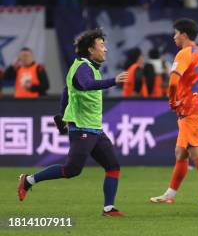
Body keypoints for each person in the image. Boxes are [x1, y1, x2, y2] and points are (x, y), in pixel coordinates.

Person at [17, 29, 129, 216]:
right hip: (82, 128)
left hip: (95, 128)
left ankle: (109, 208)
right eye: (102, 45)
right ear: (90, 50)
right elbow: (85, 84)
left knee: (113, 166)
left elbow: (66, 92)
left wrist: (62, 115)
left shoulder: (87, 66)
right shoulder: (83, 67)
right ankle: (28, 180)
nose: (106, 49)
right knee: (71, 170)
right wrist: (113, 81)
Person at [150, 18, 198, 205]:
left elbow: (174, 82)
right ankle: (169, 195)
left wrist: (173, 100)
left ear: (183, 34)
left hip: (188, 108)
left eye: (175, 33)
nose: (174, 37)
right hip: (197, 107)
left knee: (195, 151)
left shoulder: (183, 54)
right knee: (180, 153)